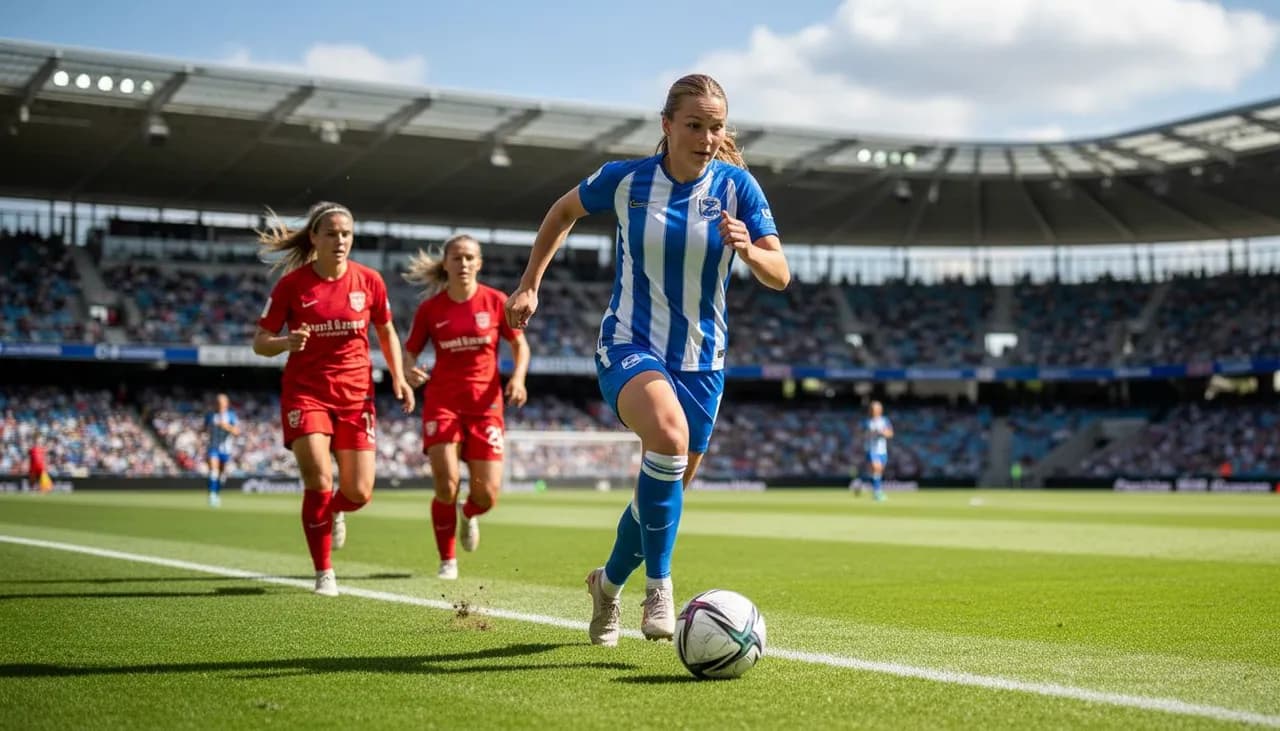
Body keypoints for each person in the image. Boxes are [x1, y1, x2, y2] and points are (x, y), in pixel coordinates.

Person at [505, 73, 790, 645]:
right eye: (694, 125)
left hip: (703, 361)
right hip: (630, 343)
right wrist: (530, 283)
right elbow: (561, 212)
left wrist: (749, 250)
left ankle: (607, 585)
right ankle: (659, 587)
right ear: (667, 125)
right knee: (668, 436)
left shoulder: (738, 187)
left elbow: (780, 274)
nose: (706, 138)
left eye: (715, 127)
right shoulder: (626, 180)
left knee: (660, 493)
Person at [252, 201, 414, 597]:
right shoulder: (292, 285)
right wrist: (285, 342)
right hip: (306, 394)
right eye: (332, 233)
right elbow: (260, 343)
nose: (340, 240)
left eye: (346, 234)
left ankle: (336, 511)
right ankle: (324, 572)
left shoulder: (370, 280)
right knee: (319, 479)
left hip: (356, 396)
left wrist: (399, 376)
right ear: (314, 238)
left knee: (359, 492)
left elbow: (386, 332)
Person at [401, 235, 530, 581]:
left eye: (470, 257)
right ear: (446, 263)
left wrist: (518, 379)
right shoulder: (430, 309)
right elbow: (409, 352)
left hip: (486, 408)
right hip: (442, 404)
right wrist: (408, 370)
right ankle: (447, 560)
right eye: (457, 258)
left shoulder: (496, 301)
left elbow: (520, 347)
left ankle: (469, 513)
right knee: (446, 485)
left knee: (486, 496)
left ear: (479, 263)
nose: (463, 263)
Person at [204, 393, 239, 508]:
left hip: (226, 450)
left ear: (226, 404)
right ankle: (212, 494)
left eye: (221, 402)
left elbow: (237, 432)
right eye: (217, 402)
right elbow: (204, 429)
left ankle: (217, 493)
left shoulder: (231, 415)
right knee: (213, 471)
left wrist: (226, 426)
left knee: (221, 474)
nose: (219, 404)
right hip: (213, 448)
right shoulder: (210, 415)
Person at [853, 401, 893, 501]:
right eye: (873, 409)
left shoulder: (884, 420)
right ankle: (877, 493)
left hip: (882, 450)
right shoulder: (867, 422)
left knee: (877, 473)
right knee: (877, 468)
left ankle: (859, 482)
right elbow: (858, 433)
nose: (875, 411)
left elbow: (890, 433)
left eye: (877, 409)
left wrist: (883, 433)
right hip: (871, 449)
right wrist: (868, 434)